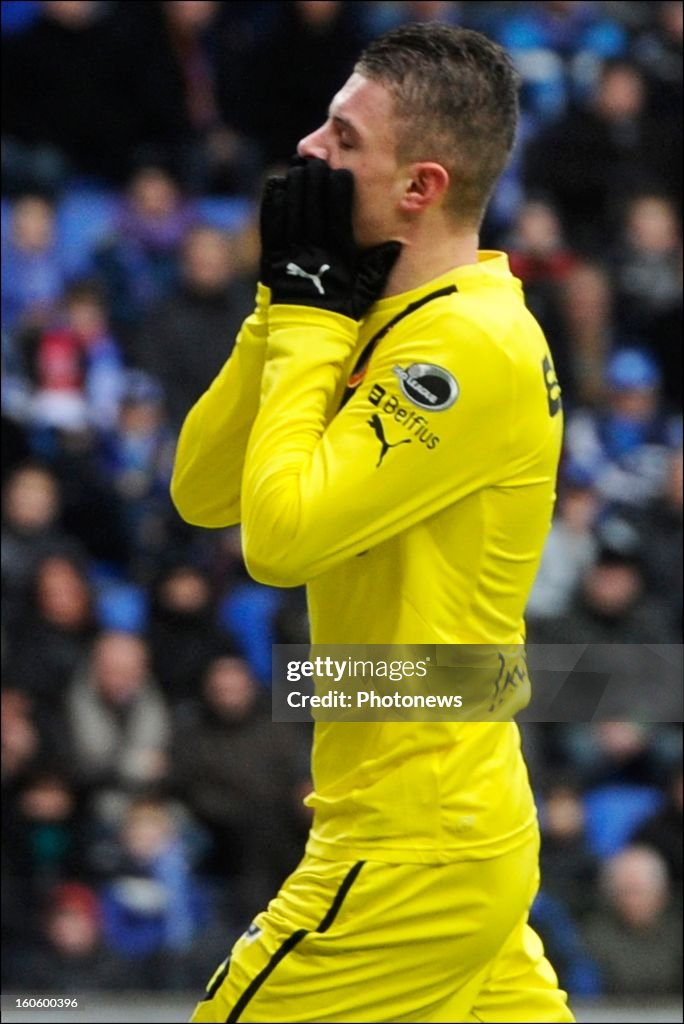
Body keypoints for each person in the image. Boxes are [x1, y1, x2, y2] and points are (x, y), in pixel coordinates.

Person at [172, 23, 573, 1024]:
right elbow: (203, 491)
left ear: (420, 187)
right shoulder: (380, 316)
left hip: (413, 850)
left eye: (344, 140)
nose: (309, 149)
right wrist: (283, 308)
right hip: (434, 828)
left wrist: (309, 318)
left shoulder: (468, 346)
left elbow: (279, 539)